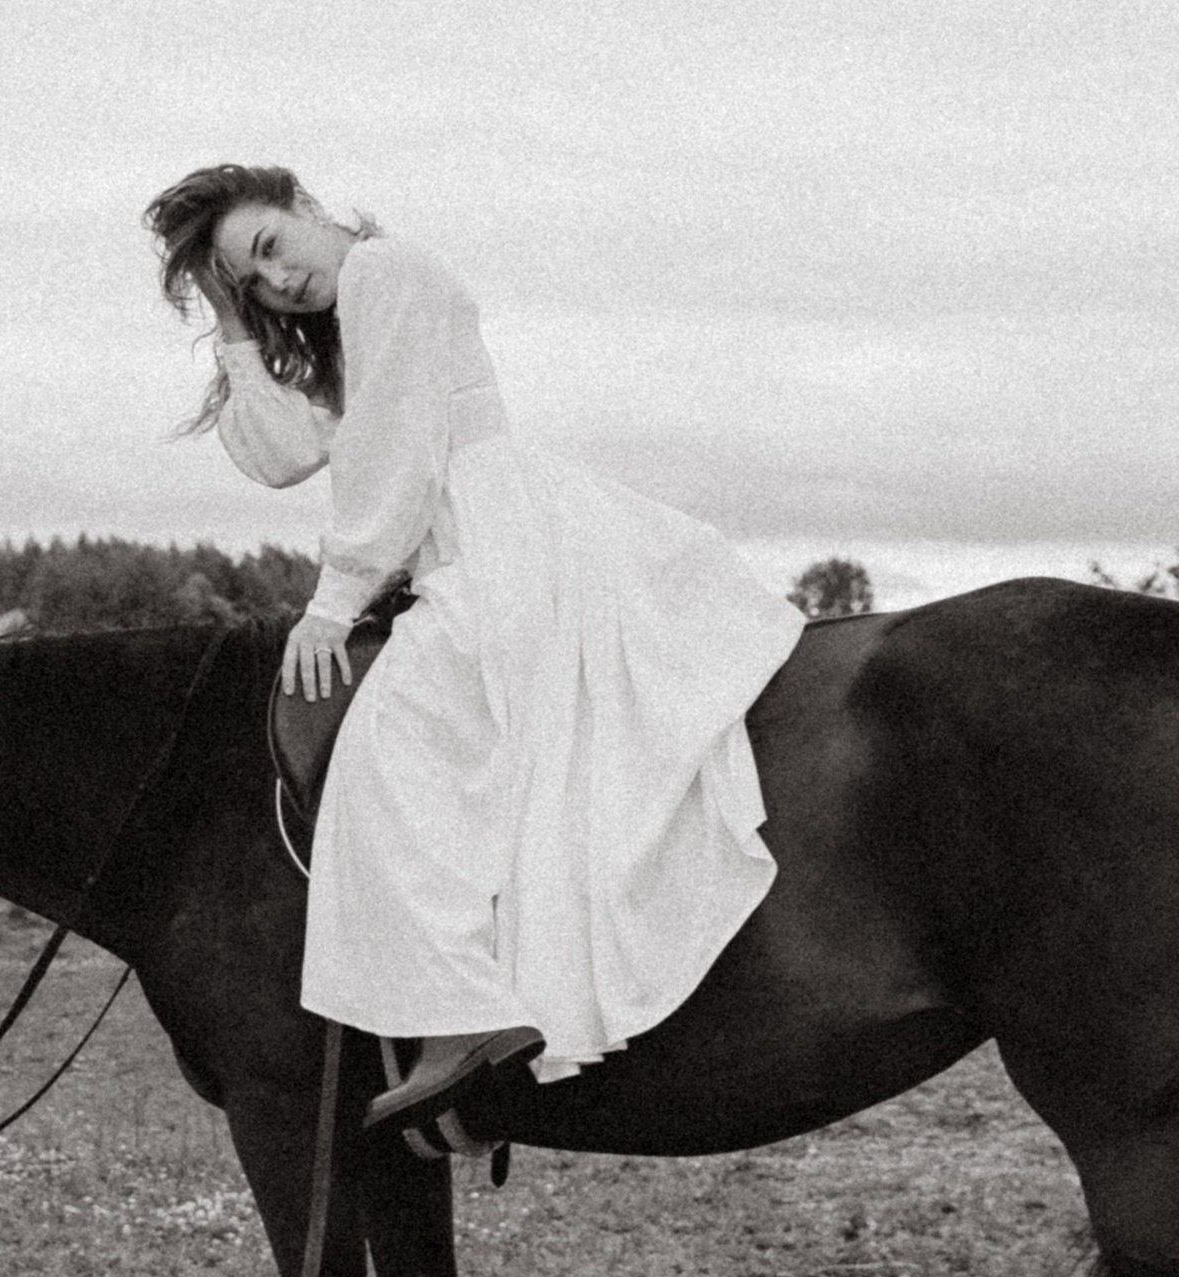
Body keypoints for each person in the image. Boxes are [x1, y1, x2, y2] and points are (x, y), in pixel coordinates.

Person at [144, 163, 804, 1133]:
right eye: (251, 281)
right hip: (465, 536)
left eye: (271, 248)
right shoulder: (354, 312)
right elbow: (280, 454)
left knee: (385, 748)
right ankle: (464, 1003)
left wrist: (334, 602)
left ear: (309, 210)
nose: (275, 282)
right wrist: (233, 327)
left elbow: (396, 452)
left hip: (495, 537)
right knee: (441, 751)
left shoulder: (385, 274)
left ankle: (462, 1018)